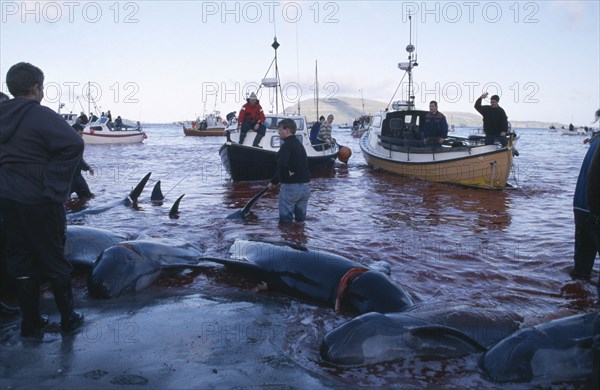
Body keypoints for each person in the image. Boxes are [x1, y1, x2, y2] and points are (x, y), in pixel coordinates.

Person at [0, 62, 85, 337]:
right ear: (36, 88)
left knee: (19, 258)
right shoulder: (41, 114)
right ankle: (69, 318)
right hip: (39, 199)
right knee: (53, 258)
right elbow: (74, 144)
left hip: (7, 198)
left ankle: (31, 322)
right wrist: (53, 183)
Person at [571, 109, 600, 282]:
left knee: (580, 272)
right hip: (594, 210)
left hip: (581, 206)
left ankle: (576, 303)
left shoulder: (595, 140)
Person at [267, 118, 310, 222]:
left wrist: (274, 182)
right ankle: (300, 237)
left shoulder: (286, 146)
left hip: (291, 188)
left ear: (287, 130)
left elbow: (282, 164)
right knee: (300, 221)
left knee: (285, 222)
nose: (278, 132)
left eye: (280, 130)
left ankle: (287, 238)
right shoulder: (299, 145)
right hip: (305, 187)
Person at [70, 124, 95, 199]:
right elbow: (79, 160)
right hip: (75, 179)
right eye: (80, 134)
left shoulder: (64, 143)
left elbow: (79, 160)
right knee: (88, 197)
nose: (82, 136)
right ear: (74, 133)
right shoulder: (77, 144)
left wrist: (88, 168)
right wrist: (88, 168)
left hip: (67, 179)